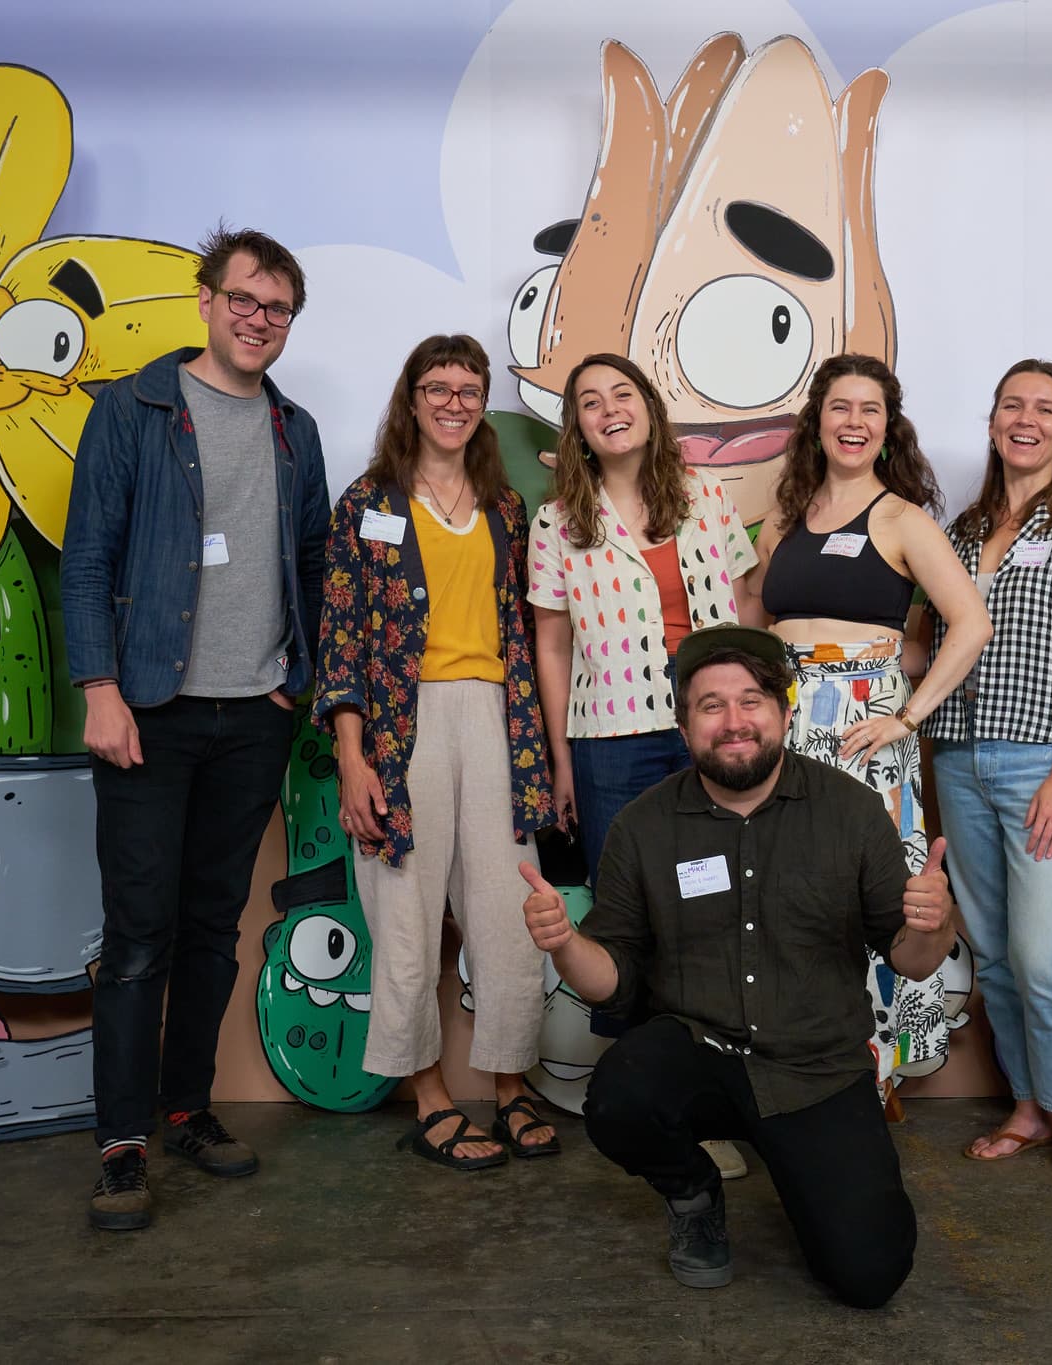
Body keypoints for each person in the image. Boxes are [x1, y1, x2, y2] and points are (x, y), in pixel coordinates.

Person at [521, 625, 956, 1306]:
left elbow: (911, 956)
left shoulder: (851, 811)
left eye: (751, 700)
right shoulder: (643, 826)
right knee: (618, 1098)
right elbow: (616, 976)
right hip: (701, 1052)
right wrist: (564, 945)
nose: (734, 722)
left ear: (785, 710)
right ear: (683, 721)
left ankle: (802, 1168)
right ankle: (694, 1193)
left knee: (870, 1273)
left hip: (814, 1068)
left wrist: (937, 920)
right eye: (710, 705)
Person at [62, 226, 329, 1230]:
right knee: (139, 938)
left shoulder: (293, 429)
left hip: (249, 719)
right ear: (207, 301)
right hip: (148, 713)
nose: (259, 319)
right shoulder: (134, 410)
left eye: (278, 309)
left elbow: (308, 560)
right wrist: (99, 688)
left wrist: (291, 683)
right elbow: (87, 559)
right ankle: (121, 1146)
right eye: (245, 300)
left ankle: (186, 1110)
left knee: (214, 928)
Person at [313, 334, 558, 1170]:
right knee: (406, 915)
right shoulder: (366, 502)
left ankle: (512, 1083)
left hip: (498, 719)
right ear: (410, 398)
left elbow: (528, 631)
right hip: (398, 727)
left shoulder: (505, 504)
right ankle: (428, 1093)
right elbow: (341, 637)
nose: (453, 402)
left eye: (468, 389)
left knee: (508, 910)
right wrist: (353, 758)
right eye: (436, 387)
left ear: (483, 401)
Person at [744, 353, 990, 1085]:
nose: (854, 422)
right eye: (841, 408)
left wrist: (908, 716)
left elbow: (970, 624)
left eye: (870, 410)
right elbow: (755, 619)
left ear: (888, 429)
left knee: (875, 889)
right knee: (783, 889)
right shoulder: (785, 518)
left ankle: (878, 1065)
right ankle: (798, 1056)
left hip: (862, 721)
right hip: (782, 723)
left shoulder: (901, 518)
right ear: (817, 424)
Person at [920, 359, 1052, 1177]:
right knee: (1000, 954)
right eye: (1013, 405)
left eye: (1046, 408)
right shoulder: (960, 530)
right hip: (961, 760)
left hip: (1046, 757)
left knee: (1043, 953)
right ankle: (1029, 1107)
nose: (1027, 419)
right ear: (994, 419)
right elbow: (925, 645)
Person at [526, 353, 759, 882]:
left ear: (650, 408)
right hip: (609, 732)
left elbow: (746, 606)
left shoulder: (707, 495)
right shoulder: (555, 524)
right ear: (578, 429)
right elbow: (554, 648)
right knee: (623, 882)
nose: (610, 409)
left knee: (715, 877)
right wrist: (562, 762)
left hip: (711, 709)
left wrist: (753, 702)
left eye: (623, 393)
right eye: (591, 402)